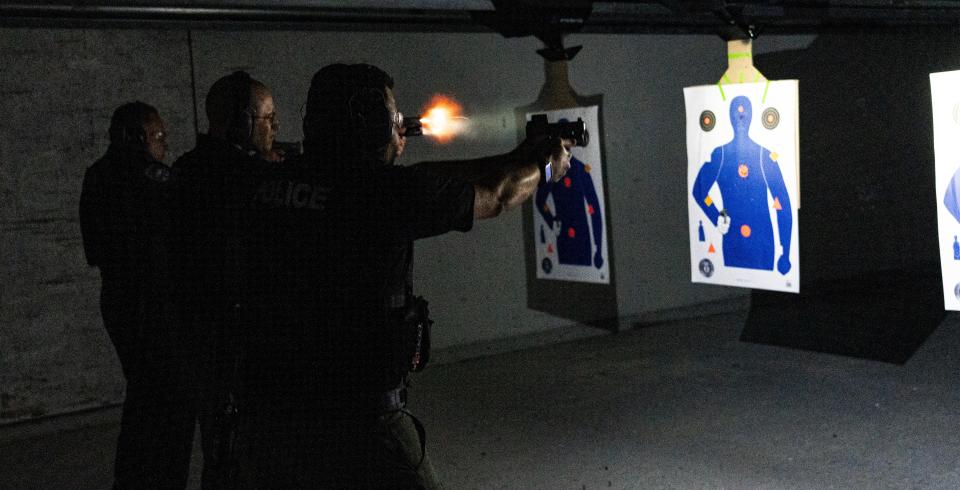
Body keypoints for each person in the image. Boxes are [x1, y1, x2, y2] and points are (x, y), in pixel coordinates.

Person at [233, 63, 573, 488]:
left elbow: (420, 181)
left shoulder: (273, 181)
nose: (400, 127)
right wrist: (544, 166)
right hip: (359, 418)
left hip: (273, 413)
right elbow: (499, 194)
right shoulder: (383, 194)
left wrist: (514, 157)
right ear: (367, 122)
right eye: (392, 118)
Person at [171, 70, 280, 488]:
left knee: (224, 444)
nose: (274, 126)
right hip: (229, 338)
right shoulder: (234, 176)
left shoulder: (192, 169)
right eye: (267, 117)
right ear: (240, 122)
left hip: (208, 335)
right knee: (234, 447)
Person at [79, 102, 195, 489]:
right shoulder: (153, 176)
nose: (163, 145)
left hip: (117, 297)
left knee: (142, 396)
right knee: (171, 399)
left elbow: (94, 250)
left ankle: (130, 478)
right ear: (138, 137)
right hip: (154, 302)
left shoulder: (95, 176)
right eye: (159, 137)